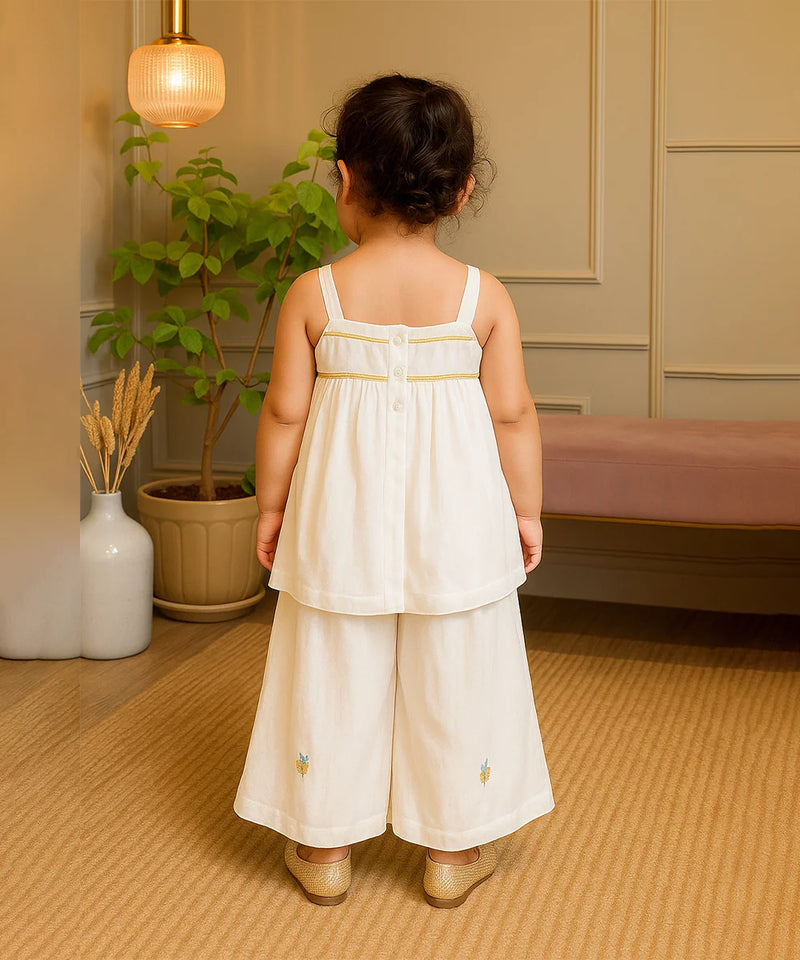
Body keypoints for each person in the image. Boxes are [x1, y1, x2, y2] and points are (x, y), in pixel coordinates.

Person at [233, 72, 555, 908]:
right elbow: (513, 416)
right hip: (460, 520)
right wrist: (525, 510)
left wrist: (272, 505)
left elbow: (284, 413)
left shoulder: (317, 295)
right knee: (460, 664)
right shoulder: (485, 300)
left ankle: (324, 846)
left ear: (345, 181)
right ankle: (453, 853)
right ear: (461, 191)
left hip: (340, 517)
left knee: (333, 661)